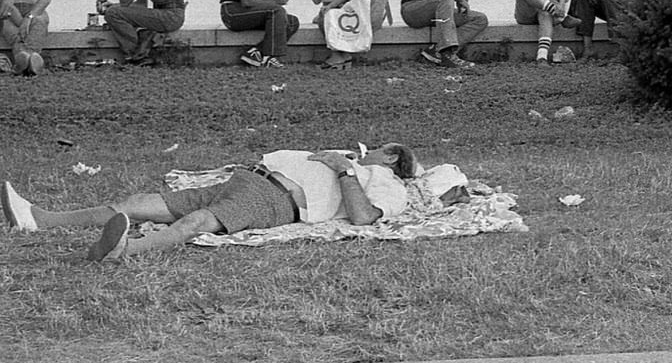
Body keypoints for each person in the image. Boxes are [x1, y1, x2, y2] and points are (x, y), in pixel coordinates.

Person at [3, 143, 417, 262]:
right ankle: (41, 219)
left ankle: (125, 250)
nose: (369, 151)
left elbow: (363, 217)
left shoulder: (384, 182)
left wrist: (344, 168)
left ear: (393, 156)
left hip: (277, 199)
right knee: (139, 201)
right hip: (248, 178)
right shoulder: (354, 161)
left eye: (379, 148)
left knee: (200, 220)